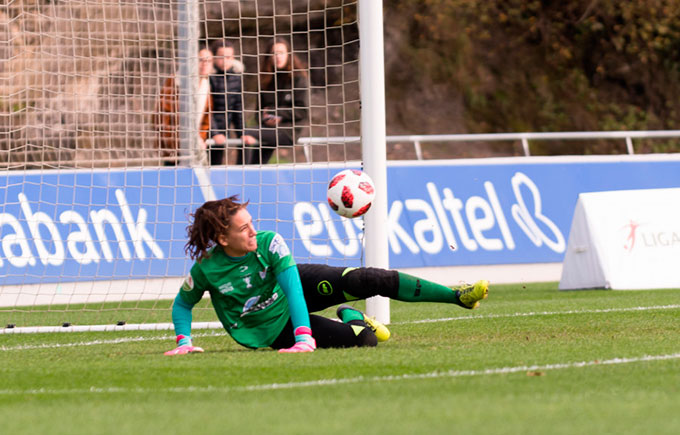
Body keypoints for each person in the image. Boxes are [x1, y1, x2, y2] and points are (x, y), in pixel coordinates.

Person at [164, 196, 490, 355]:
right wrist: (184, 342)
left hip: (293, 287)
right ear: (223, 239)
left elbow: (293, 289)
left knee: (367, 279)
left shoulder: (269, 243)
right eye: (243, 228)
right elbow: (182, 304)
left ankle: (456, 296)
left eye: (252, 223)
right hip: (274, 330)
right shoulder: (206, 269)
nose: (253, 231)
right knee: (367, 340)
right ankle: (353, 317)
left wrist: (305, 337)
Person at [240, 37, 309, 165]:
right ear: (269, 57)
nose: (278, 57)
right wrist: (267, 119)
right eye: (274, 53)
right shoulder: (266, 81)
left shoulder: (298, 79)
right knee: (257, 163)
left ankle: (239, 174)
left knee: (247, 133)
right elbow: (259, 112)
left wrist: (278, 115)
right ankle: (249, 178)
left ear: (288, 54)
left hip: (288, 131)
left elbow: (302, 111)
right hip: (268, 129)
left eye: (281, 53)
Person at [155, 47, 214, 166]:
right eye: (201, 60)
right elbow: (162, 115)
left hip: (194, 146)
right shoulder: (175, 81)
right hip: (174, 146)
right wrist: (171, 145)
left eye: (208, 61)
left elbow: (206, 120)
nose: (204, 64)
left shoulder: (206, 86)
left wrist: (201, 138)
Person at [208, 40, 250, 165]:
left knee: (246, 145)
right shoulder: (209, 77)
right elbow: (206, 109)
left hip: (224, 128)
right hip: (208, 128)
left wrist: (242, 132)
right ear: (214, 58)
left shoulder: (236, 77)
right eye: (221, 56)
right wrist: (214, 133)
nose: (225, 60)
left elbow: (238, 107)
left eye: (228, 56)